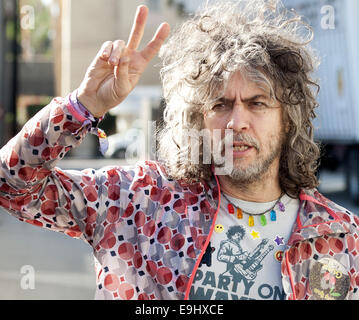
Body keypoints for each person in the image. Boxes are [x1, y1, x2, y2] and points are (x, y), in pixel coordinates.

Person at [0, 0, 358, 300]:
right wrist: (83, 106)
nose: (237, 121)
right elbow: (12, 185)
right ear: (196, 120)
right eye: (220, 105)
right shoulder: (137, 200)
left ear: (288, 119)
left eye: (258, 103)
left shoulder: (337, 235)